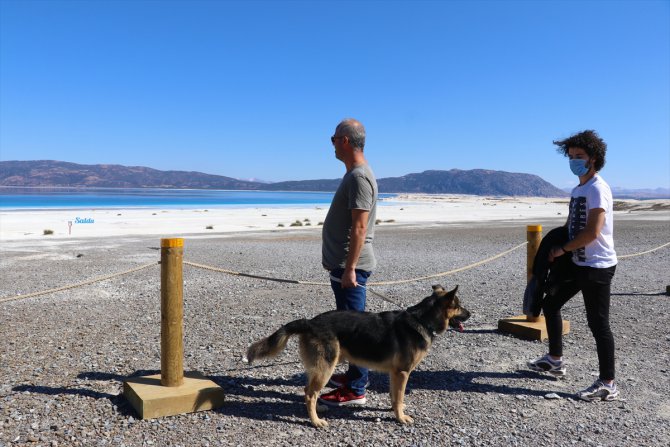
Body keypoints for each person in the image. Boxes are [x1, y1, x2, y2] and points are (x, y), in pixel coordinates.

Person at [528, 130, 619, 402]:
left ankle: (608, 384)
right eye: (571, 156)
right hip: (577, 263)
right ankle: (555, 360)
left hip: (597, 266)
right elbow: (571, 226)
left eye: (579, 156)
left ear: (593, 158)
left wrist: (562, 249)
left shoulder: (597, 188)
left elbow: (592, 232)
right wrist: (556, 251)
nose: (574, 161)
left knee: (598, 323)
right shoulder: (578, 188)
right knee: (551, 304)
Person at [318, 118, 378, 407]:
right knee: (349, 326)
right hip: (343, 266)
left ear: (344, 140)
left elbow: (359, 228)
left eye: (333, 139)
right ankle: (355, 375)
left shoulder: (358, 176)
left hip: (350, 268)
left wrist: (351, 268)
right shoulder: (354, 174)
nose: (331, 144)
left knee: (356, 331)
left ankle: (356, 390)